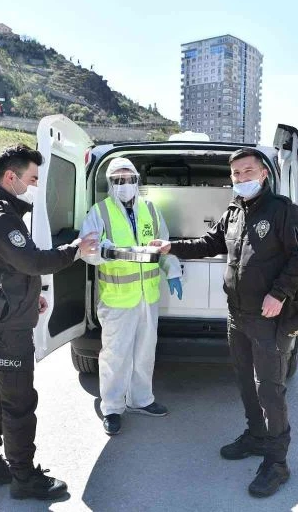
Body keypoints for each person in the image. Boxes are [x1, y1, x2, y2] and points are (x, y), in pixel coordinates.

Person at [151, 147, 298, 497]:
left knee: (270, 389)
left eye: (248, 171)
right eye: (236, 174)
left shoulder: (284, 211)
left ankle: (277, 462)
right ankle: (256, 436)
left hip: (269, 317)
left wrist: (280, 293)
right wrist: (171, 247)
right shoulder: (234, 210)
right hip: (237, 314)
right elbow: (210, 243)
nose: (241, 178)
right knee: (244, 380)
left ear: (264, 174)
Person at [0, 144, 99, 500]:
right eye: (33, 178)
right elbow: (33, 261)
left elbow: (6, 267)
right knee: (19, 404)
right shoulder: (0, 217)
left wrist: (28, 295)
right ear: (11, 177)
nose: (36, 185)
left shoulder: (0, 212)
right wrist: (76, 249)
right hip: (6, 331)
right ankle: (23, 479)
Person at [80, 157, 183, 436]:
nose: (125, 185)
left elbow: (163, 245)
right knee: (115, 356)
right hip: (116, 298)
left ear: (138, 181)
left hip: (147, 297)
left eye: (129, 179)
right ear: (111, 184)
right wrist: (105, 250)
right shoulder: (99, 211)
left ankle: (141, 399)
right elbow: (86, 250)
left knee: (145, 351)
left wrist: (172, 271)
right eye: (118, 180)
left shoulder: (150, 209)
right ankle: (112, 408)